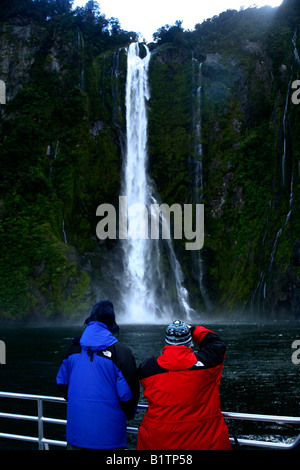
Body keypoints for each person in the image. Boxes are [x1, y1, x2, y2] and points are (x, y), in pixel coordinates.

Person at [56, 300, 139, 450]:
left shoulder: (73, 349)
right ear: (111, 324)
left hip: (76, 434)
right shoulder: (122, 353)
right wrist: (128, 414)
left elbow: (61, 382)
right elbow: (128, 396)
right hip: (110, 437)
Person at [137, 320, 232, 450]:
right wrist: (193, 329)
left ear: (166, 342)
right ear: (190, 342)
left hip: (158, 443)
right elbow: (217, 344)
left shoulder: (147, 369)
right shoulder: (208, 364)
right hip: (206, 443)